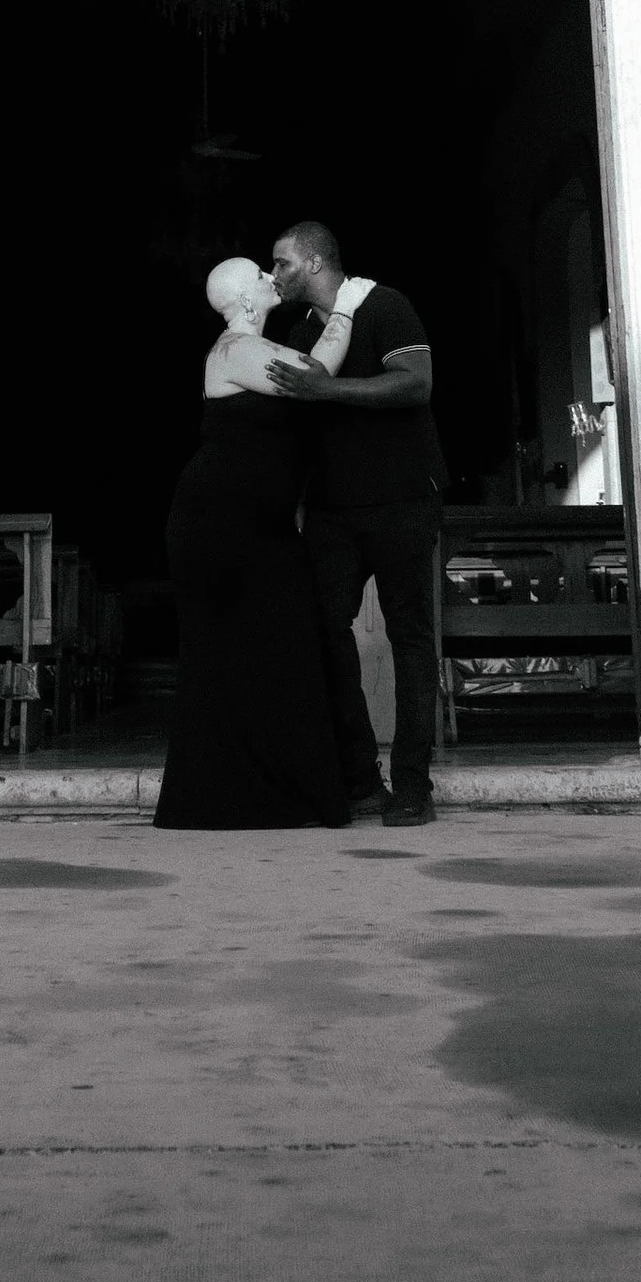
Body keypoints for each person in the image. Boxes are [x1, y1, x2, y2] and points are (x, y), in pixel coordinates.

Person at [153, 259, 356, 831]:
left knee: (278, 650)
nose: (273, 276)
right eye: (260, 275)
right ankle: (225, 798)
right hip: (219, 524)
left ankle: (276, 795)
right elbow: (313, 375)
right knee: (234, 654)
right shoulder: (234, 349)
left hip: (256, 525)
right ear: (245, 299)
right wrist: (345, 308)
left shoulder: (247, 344)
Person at [264, 220, 442, 828]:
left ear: (314, 262)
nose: (275, 275)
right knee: (324, 635)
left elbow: (416, 384)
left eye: (283, 263)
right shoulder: (299, 331)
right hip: (332, 511)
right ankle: (362, 781)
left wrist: (328, 391)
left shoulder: (384, 305)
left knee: (411, 637)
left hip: (401, 500)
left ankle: (414, 785)